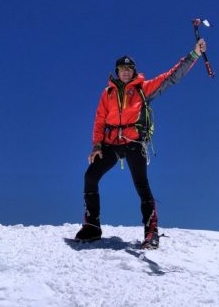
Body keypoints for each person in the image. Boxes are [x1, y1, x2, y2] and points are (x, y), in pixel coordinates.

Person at [75, 39, 207, 249]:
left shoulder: (143, 89)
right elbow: (100, 119)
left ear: (134, 71)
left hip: (134, 142)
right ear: (117, 71)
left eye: (129, 69)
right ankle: (92, 226)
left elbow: (171, 77)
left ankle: (151, 232)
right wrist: (97, 146)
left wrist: (194, 54)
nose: (125, 72)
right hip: (110, 143)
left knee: (141, 185)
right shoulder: (107, 94)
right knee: (90, 176)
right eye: (122, 69)